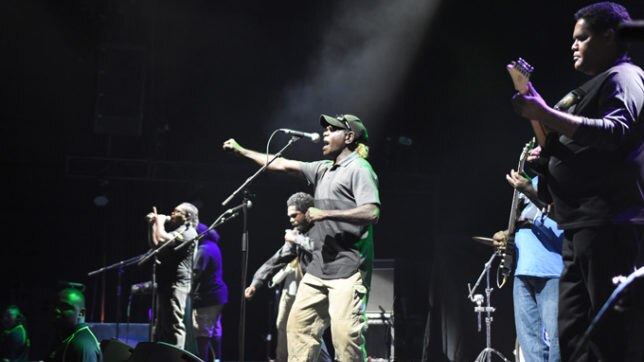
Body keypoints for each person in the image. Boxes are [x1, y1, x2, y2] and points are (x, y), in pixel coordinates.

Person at [511, 2, 644, 361]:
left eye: (582, 38)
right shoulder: (592, 88)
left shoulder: (624, 77)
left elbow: (615, 131)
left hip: (608, 222)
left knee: (609, 337)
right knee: (573, 337)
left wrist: (545, 114)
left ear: (609, 37)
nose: (573, 45)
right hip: (579, 226)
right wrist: (548, 161)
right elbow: (585, 151)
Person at [224, 113, 380, 361]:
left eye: (332, 130)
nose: (325, 134)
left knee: (345, 341)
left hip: (348, 271)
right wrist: (242, 151)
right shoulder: (322, 169)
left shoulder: (360, 169)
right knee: (297, 331)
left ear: (349, 137)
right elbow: (282, 163)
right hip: (317, 270)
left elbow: (372, 211)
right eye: (325, 130)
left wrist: (326, 213)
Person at [244, 192, 331, 362]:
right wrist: (256, 283)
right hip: (310, 290)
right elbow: (276, 260)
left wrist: (297, 239)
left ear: (308, 213)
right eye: (289, 216)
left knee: (305, 329)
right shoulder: (297, 234)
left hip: (327, 288)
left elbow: (323, 252)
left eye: (294, 215)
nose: (291, 219)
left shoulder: (322, 228)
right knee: (299, 329)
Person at [492, 171, 563, 362]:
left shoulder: (563, 178)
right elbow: (526, 220)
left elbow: (565, 218)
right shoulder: (532, 182)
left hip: (553, 269)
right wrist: (508, 233)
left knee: (558, 340)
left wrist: (531, 193)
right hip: (524, 268)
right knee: (530, 342)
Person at [147, 202, 199, 349]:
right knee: (163, 324)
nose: (172, 214)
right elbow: (156, 244)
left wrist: (159, 221)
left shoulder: (188, 232)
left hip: (178, 284)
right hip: (166, 282)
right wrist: (152, 225)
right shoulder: (178, 231)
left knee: (174, 324)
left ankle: (175, 356)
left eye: (176, 212)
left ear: (187, 216)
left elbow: (162, 238)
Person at [192, 223, 228, 362]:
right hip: (218, 295)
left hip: (207, 296)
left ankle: (202, 360)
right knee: (214, 330)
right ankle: (217, 359)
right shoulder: (213, 246)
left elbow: (196, 274)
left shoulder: (204, 250)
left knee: (203, 332)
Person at [47, 288, 102, 362]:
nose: (56, 310)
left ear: (81, 313)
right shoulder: (66, 337)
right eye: (55, 305)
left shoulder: (82, 345)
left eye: (65, 306)